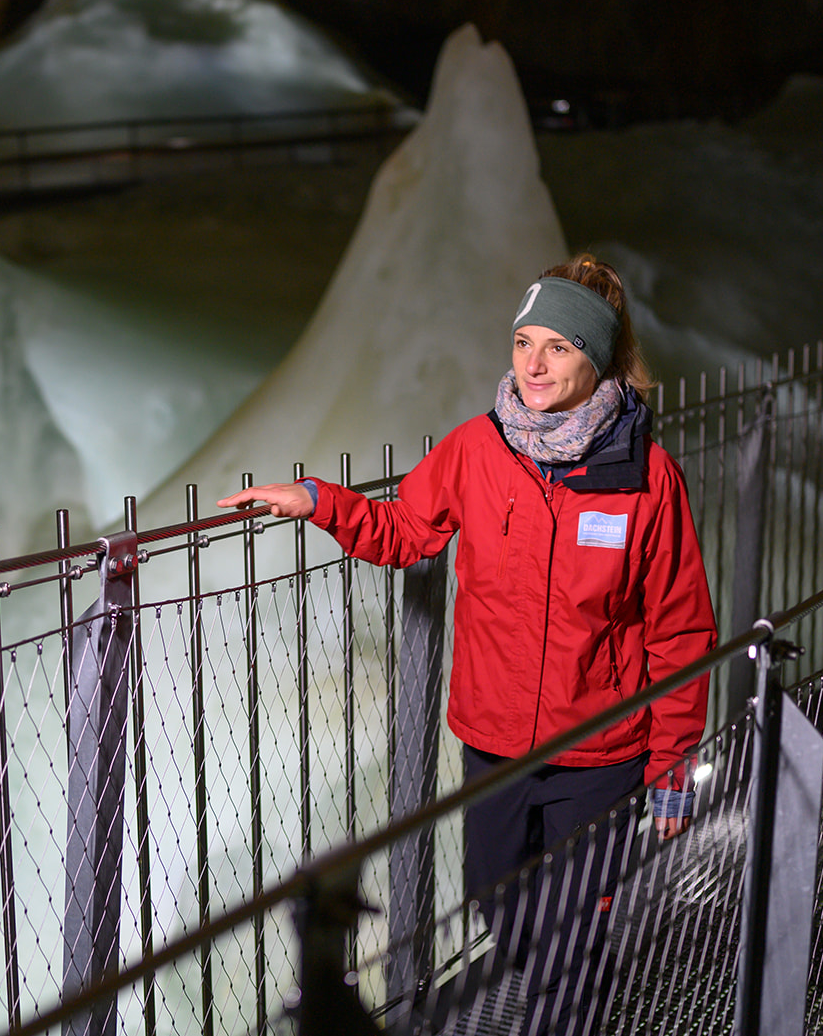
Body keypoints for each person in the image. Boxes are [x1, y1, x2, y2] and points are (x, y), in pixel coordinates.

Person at [217, 254, 717, 1033]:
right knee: (502, 904)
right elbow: (407, 530)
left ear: (596, 357)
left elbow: (681, 630)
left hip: (600, 753)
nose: (535, 362)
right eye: (525, 342)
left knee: (569, 940)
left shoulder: (647, 480)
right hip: (495, 742)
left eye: (558, 346)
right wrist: (319, 499)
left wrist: (672, 765)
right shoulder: (478, 451)